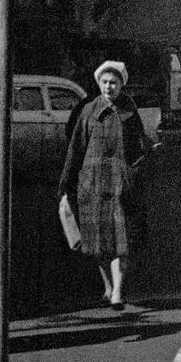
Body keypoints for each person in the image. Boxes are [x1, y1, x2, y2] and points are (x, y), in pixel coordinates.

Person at [59, 60, 155, 311]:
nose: (109, 87)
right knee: (97, 243)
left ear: (122, 85)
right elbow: (76, 148)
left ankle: (118, 293)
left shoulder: (129, 112)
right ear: (98, 83)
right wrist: (66, 183)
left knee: (119, 241)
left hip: (119, 185)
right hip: (91, 184)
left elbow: (140, 145)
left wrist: (141, 162)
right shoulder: (89, 111)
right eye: (105, 82)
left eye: (114, 82)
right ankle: (108, 287)